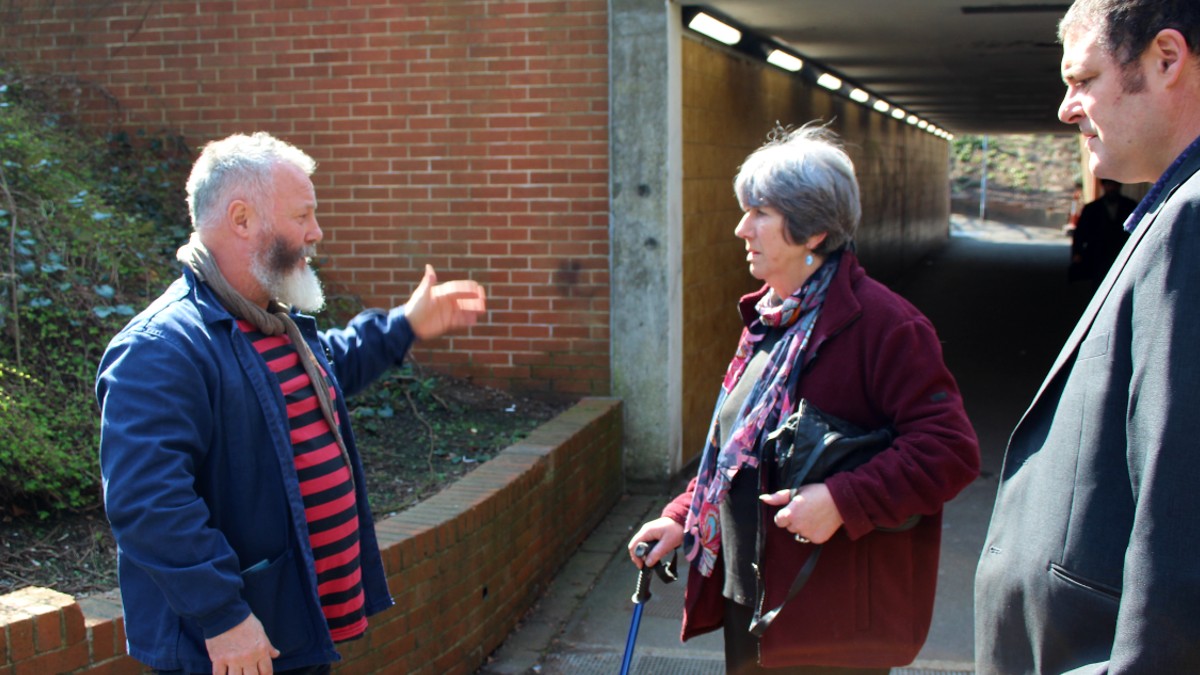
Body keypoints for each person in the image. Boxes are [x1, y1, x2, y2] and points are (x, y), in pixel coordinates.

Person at [96, 132, 486, 675]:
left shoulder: (272, 320)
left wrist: (405, 326)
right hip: (232, 649)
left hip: (292, 626)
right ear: (241, 218)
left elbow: (330, 369)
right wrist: (224, 616)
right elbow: (147, 501)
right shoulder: (162, 348)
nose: (316, 233)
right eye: (303, 216)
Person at [626, 124, 980, 674]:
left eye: (760, 213)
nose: (742, 228)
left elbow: (949, 452)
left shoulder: (887, 326)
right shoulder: (771, 321)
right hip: (751, 602)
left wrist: (842, 500)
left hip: (833, 625)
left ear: (813, 230)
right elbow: (736, 453)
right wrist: (680, 518)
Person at [974, 1, 1200, 672]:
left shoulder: (1193, 222)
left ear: (1166, 59)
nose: (1067, 108)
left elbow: (1181, 517)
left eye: (1084, 79)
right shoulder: (1174, 208)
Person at [1068, 178, 1136, 286]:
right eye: (1109, 185)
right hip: (1098, 254)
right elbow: (1080, 232)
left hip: (1121, 252)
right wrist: (1077, 253)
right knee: (1098, 283)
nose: (1112, 188)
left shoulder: (1130, 206)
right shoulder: (1092, 208)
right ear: (1103, 186)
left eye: (1114, 185)